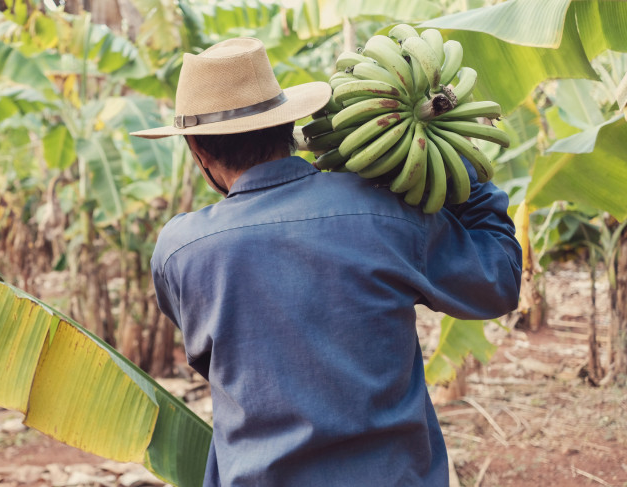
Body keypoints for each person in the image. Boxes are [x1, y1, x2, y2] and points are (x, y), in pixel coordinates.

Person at [131, 37, 521, 487]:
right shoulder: (387, 213)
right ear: (287, 124)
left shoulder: (180, 251)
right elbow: (499, 280)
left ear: (198, 150)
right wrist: (457, 166)